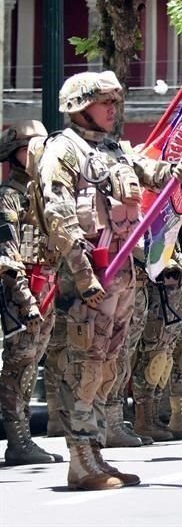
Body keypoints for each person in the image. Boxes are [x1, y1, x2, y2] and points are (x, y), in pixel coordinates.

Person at [37, 71, 182, 490]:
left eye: (115, 102)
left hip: (123, 276)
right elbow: (58, 214)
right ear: (80, 106)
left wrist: (174, 171)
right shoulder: (63, 150)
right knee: (83, 366)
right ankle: (80, 459)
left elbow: (149, 171)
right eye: (104, 102)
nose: (113, 109)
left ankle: (95, 454)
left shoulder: (112, 149)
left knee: (108, 366)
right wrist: (83, 273)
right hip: (89, 275)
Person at [0, 120, 64, 465]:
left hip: (47, 291)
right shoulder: (9, 196)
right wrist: (25, 298)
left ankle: (24, 439)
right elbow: (7, 254)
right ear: (17, 154)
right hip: (23, 295)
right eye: (32, 149)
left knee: (30, 364)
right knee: (18, 367)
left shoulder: (40, 195)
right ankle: (18, 440)